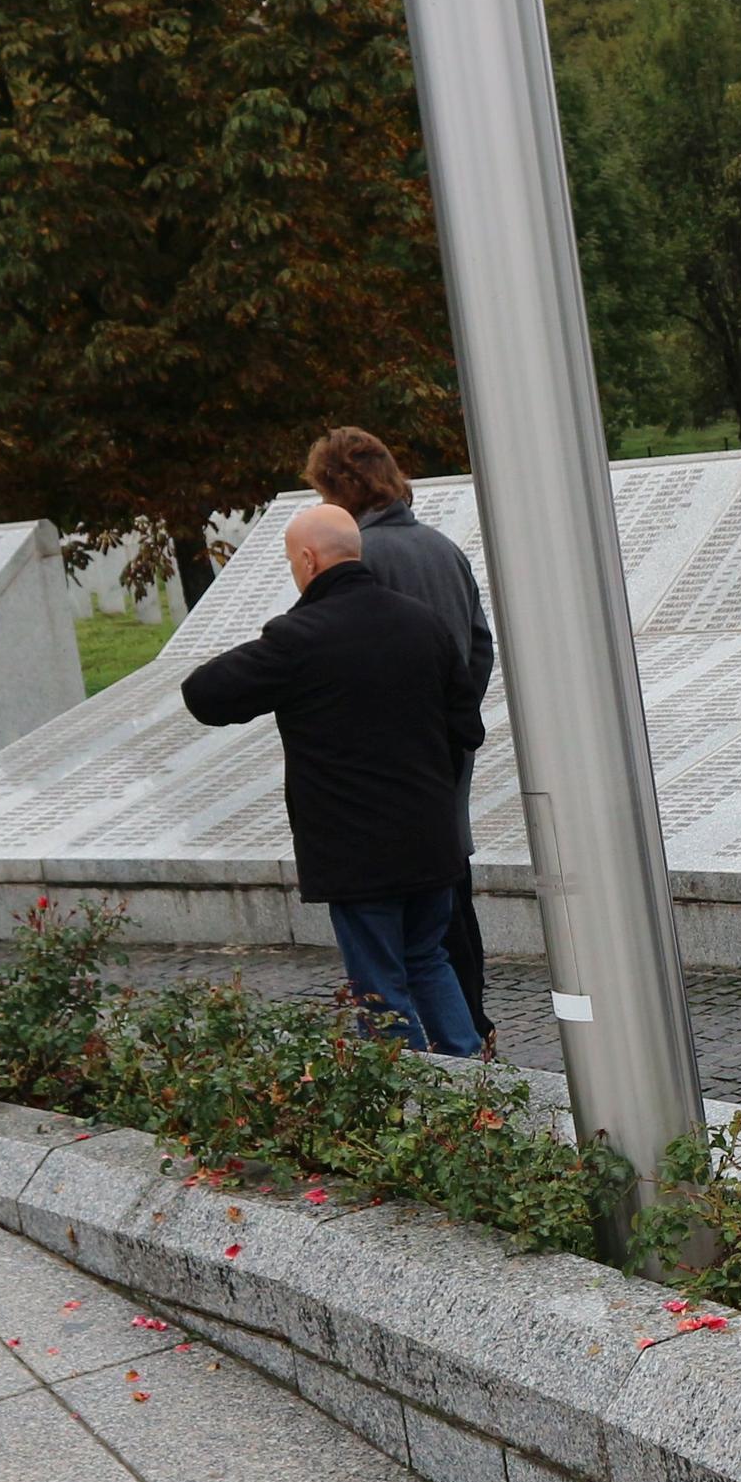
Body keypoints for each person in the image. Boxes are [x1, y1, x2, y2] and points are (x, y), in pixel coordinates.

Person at [181, 503, 485, 1056]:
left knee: (380, 987)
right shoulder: (424, 623)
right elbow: (468, 726)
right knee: (428, 959)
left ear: (307, 558)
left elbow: (204, 694)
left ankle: (410, 1102)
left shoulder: (299, 639)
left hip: (357, 851)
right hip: (428, 835)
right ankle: (476, 1080)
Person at [305, 427, 499, 1053]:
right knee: (447, 907)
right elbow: (477, 645)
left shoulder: (356, 561)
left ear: (338, 489)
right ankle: (473, 1037)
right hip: (446, 751)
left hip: (391, 768)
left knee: (404, 942)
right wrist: (455, 723)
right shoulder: (442, 548)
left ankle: (422, 1069)